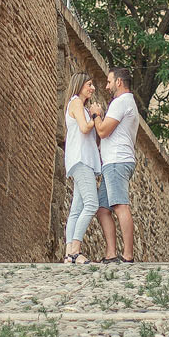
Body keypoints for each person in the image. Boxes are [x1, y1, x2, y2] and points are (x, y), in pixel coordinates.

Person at [90, 67, 143, 264]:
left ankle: (127, 255)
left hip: (117, 161)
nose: (106, 85)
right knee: (103, 208)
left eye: (109, 81)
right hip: (112, 163)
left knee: (120, 205)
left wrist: (96, 115)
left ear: (119, 82)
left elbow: (103, 131)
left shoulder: (121, 102)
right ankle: (111, 254)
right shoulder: (127, 103)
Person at [61, 73, 114, 264]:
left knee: (77, 208)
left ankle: (68, 254)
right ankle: (76, 250)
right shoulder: (75, 102)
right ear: (79, 85)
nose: (92, 88)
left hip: (83, 161)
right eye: (89, 85)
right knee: (91, 204)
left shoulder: (80, 107)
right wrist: (96, 115)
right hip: (81, 160)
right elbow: (84, 128)